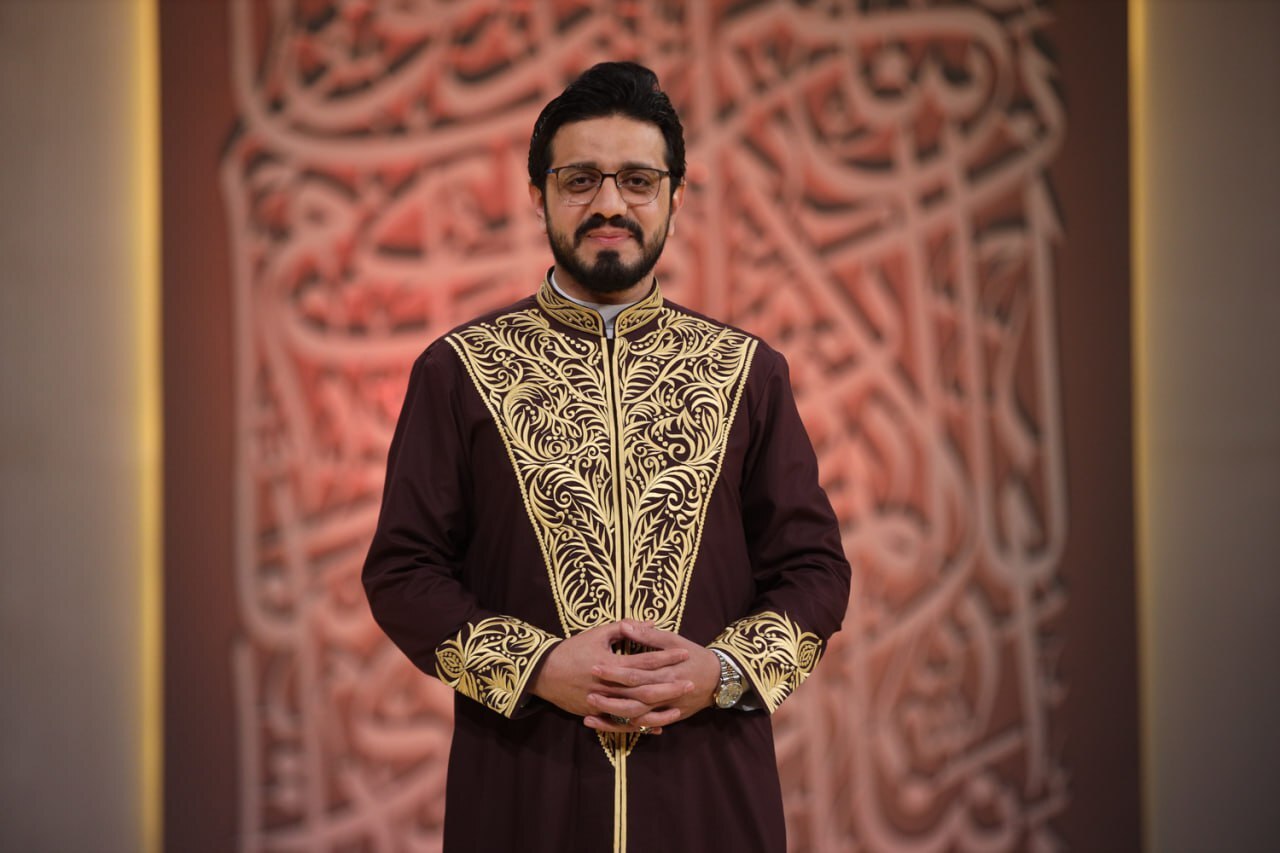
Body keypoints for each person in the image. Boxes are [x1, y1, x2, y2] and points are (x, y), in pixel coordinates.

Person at [363, 61, 851, 853]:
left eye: (638, 180)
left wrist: (720, 672)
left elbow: (816, 570)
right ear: (538, 195)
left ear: (675, 198)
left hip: (709, 799)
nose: (610, 204)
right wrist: (535, 666)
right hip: (524, 797)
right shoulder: (458, 371)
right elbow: (402, 571)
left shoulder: (747, 373)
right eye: (581, 179)